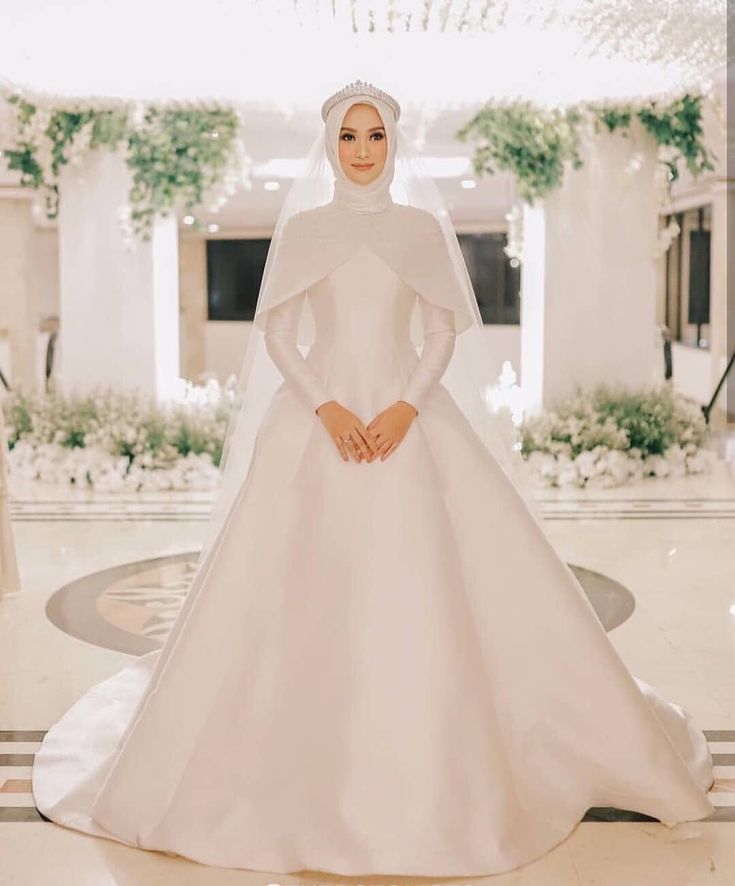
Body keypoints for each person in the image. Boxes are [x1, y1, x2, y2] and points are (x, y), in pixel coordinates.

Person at [32, 80, 714, 877]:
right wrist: (324, 406)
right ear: (330, 146)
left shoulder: (420, 228)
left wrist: (403, 408)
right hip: (317, 425)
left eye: (374, 136)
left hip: (408, 424)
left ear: (393, 142)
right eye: (348, 137)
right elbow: (282, 333)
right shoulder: (307, 230)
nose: (361, 150)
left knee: (428, 582)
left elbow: (436, 332)